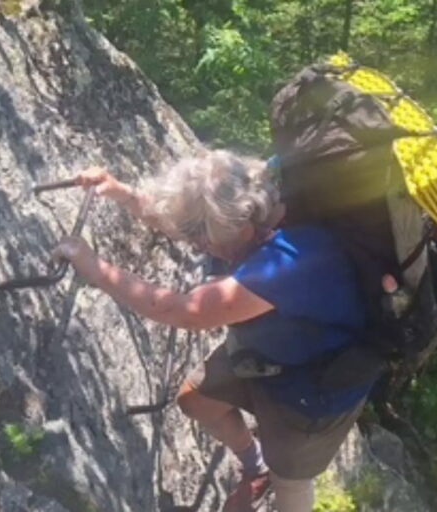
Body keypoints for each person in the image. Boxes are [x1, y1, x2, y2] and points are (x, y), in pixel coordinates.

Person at [53, 149, 377, 512]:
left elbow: (183, 311)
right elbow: (182, 221)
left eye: (201, 240)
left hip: (316, 388)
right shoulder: (247, 213)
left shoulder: (286, 264)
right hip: (269, 349)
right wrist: (120, 191)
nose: (198, 247)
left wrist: (93, 268)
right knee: (196, 400)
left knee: (291, 480)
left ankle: (276, 481)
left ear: (225, 227)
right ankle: (256, 469)